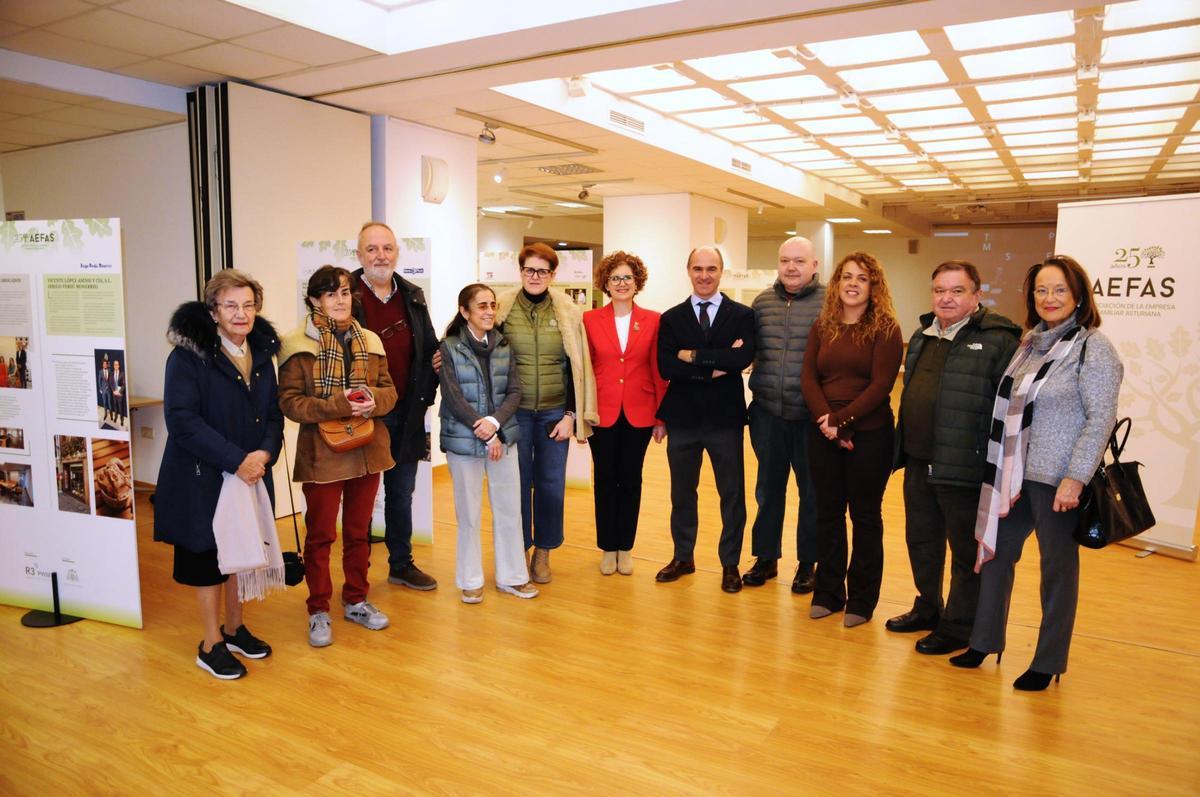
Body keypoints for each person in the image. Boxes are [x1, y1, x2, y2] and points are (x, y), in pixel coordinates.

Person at [951, 255, 1122, 691]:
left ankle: (1048, 661)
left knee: (1057, 571)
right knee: (995, 557)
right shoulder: (1029, 343)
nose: (1049, 298)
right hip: (1012, 477)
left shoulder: (1092, 347)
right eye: (1042, 290)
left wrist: (1076, 476)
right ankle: (985, 641)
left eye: (1060, 289)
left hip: (1057, 479)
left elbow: (1101, 417)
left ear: (1079, 295)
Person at [154, 269, 284, 680]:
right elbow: (182, 421)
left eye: (248, 305)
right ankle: (210, 644)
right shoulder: (188, 357)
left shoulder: (261, 353)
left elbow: (273, 415)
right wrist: (236, 459)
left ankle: (234, 628)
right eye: (230, 305)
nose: (241, 314)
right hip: (202, 475)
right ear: (213, 312)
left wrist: (264, 452)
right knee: (208, 559)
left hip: (250, 471)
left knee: (242, 551)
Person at [886, 261, 1020, 655]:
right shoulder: (923, 335)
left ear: (977, 295)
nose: (946, 298)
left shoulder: (999, 340)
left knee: (964, 551)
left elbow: (1008, 408)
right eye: (940, 290)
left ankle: (958, 625)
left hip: (964, 467)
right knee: (922, 542)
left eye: (957, 290)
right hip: (917, 461)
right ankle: (928, 606)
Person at [278, 265, 398, 648]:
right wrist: (337, 405)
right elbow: (291, 403)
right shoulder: (296, 345)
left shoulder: (372, 341)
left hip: (368, 449)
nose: (340, 300)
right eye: (330, 294)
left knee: (360, 533)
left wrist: (371, 402)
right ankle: (318, 609)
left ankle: (356, 600)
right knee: (320, 536)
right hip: (322, 456)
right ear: (314, 299)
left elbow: (389, 392)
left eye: (345, 292)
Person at [800, 252, 902, 626]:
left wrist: (842, 422)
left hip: (869, 435)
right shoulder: (823, 325)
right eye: (846, 277)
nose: (853, 283)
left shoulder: (886, 328)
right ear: (836, 284)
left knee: (864, 516)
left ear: (874, 286)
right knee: (826, 514)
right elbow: (808, 378)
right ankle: (827, 592)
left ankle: (861, 600)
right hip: (823, 431)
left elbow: (881, 386)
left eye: (862, 278)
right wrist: (827, 422)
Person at [655, 246, 756, 593]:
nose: (704, 275)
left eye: (711, 269)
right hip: (682, 420)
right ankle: (683, 556)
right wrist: (716, 365)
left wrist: (693, 357)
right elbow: (667, 366)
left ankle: (730, 563)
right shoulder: (671, 318)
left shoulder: (742, 315)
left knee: (732, 494)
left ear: (721, 271)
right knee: (682, 492)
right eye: (698, 268)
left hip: (725, 420)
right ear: (688, 270)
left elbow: (742, 357)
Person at [495, 242, 597, 583]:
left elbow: (576, 367)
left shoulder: (569, 311)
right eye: (529, 270)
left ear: (553, 275)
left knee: (551, 485)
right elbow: (475, 343)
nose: (535, 276)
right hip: (516, 413)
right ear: (521, 271)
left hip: (554, 413)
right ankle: (520, 550)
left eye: (542, 271)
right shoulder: (502, 309)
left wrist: (571, 414)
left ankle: (544, 552)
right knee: (518, 484)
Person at [351, 221, 439, 591]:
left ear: (397, 253)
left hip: (407, 412)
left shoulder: (412, 295)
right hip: (365, 414)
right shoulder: (347, 297)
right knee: (361, 496)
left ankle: (401, 564)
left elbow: (431, 347)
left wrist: (436, 369)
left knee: (401, 494)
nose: (380, 256)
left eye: (386, 248)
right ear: (359, 255)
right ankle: (357, 576)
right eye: (372, 249)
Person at [438, 283, 537, 603]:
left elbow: (515, 392)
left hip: (503, 438)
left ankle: (512, 577)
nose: (490, 311)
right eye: (481, 306)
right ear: (465, 311)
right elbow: (453, 397)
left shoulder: (504, 345)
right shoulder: (449, 347)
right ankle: (470, 579)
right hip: (464, 442)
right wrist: (485, 431)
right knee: (468, 514)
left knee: (510, 510)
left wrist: (494, 425)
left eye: (492, 305)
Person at [743, 236, 824, 594]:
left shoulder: (830, 303)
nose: (791, 267)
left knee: (812, 494)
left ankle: (808, 563)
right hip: (768, 415)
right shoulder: (761, 303)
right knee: (768, 490)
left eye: (799, 261)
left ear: (814, 266)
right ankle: (765, 557)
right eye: (785, 260)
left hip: (810, 419)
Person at [582, 251, 667, 575]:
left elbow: (658, 369)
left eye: (627, 278)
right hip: (601, 412)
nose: (621, 283)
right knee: (604, 479)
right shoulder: (590, 320)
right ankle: (608, 547)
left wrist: (661, 417)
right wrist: (582, 414)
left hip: (640, 412)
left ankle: (625, 548)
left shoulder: (654, 320)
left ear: (637, 283)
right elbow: (584, 369)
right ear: (606, 282)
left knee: (631, 479)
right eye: (615, 277)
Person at [111, 359, 127, 426]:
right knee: (115, 407)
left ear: (119, 365)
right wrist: (113, 390)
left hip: (120, 394)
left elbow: (124, 384)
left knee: (120, 408)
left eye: (117, 364)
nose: (116, 365)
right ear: (113, 366)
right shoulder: (111, 373)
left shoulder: (122, 373)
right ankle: (116, 417)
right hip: (114, 394)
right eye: (114, 364)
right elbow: (110, 383)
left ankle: (121, 420)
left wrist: (120, 392)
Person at [97, 357, 111, 421]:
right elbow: (99, 381)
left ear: (107, 365)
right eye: (104, 364)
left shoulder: (109, 370)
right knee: (105, 402)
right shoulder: (100, 371)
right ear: (102, 365)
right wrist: (100, 389)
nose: (105, 365)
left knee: (109, 402)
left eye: (106, 364)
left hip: (109, 389)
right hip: (103, 390)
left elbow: (111, 380)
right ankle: (105, 413)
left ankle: (110, 413)